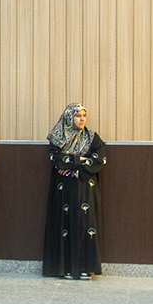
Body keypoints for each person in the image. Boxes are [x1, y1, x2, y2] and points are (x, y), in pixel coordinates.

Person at [43, 103, 107, 280]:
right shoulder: (58, 137)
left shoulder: (91, 137)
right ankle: (67, 268)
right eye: (78, 116)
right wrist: (80, 160)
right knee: (65, 224)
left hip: (85, 187)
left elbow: (100, 157)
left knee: (85, 225)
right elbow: (55, 157)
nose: (82, 119)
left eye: (84, 116)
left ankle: (86, 268)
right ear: (69, 118)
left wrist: (74, 168)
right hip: (63, 189)